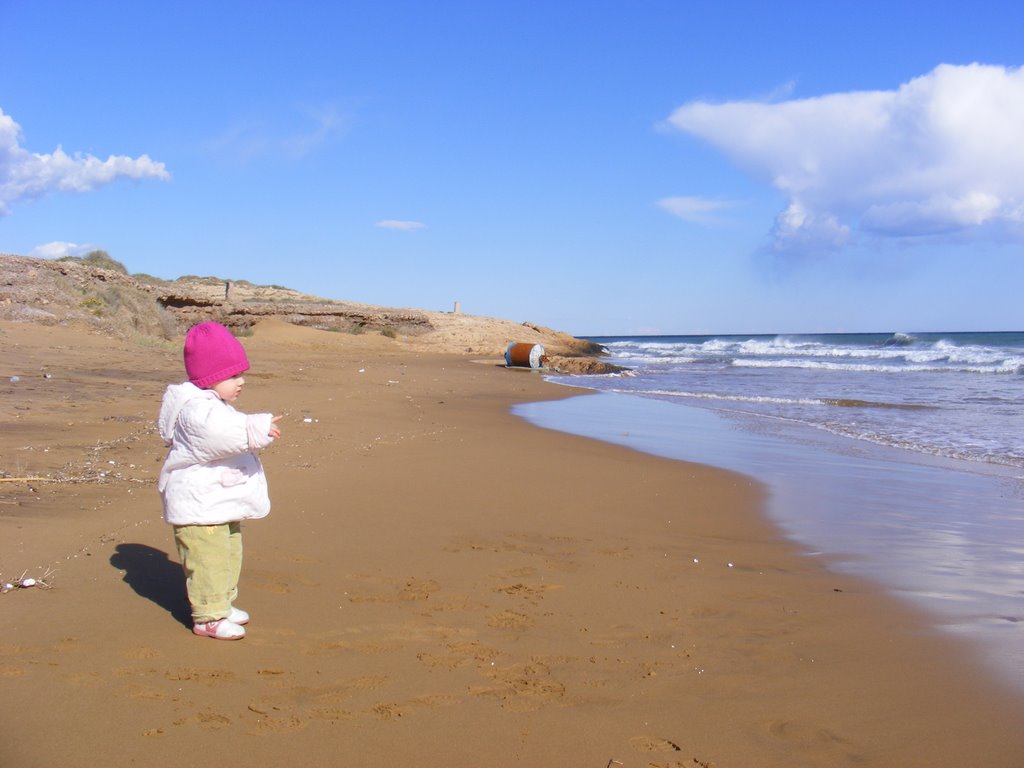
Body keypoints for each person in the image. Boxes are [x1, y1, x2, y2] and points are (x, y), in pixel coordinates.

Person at [156, 321, 282, 640]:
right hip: (199, 507)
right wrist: (256, 429)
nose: (241, 382)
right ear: (211, 378)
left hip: (216, 503)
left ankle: (222, 603)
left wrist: (253, 429)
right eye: (233, 376)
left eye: (242, 375)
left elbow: (227, 427)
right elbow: (219, 435)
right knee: (208, 559)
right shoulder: (196, 411)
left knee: (228, 552)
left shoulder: (216, 405)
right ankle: (209, 616)